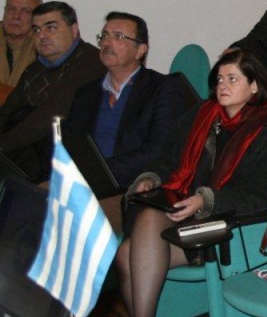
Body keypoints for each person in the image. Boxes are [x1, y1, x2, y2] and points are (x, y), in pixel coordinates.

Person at [115, 49, 267, 317]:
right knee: (136, 234)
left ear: (254, 86)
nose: (222, 85)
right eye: (220, 79)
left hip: (224, 226)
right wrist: (151, 178)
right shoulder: (204, 113)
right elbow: (168, 157)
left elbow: (258, 195)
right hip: (181, 210)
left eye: (233, 79)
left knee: (128, 253)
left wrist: (206, 199)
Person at [64, 12, 191, 188]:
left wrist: (100, 173)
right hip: (82, 183)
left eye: (119, 37)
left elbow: (160, 149)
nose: (107, 42)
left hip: (134, 186)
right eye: (104, 36)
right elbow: (71, 142)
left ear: (140, 50)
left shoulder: (163, 89)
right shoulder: (86, 93)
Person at [0, 1, 105, 181]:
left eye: (51, 28)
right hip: (29, 157)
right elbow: (7, 111)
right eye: (37, 30)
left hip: (69, 164)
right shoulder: (34, 70)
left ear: (74, 30)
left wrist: (2, 146)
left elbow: (52, 116)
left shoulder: (91, 63)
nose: (42, 35)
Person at [0, 0, 42, 93]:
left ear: (37, 17)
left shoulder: (47, 48)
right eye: (11, 9)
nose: (16, 16)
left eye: (26, 11)